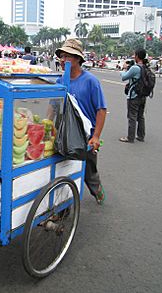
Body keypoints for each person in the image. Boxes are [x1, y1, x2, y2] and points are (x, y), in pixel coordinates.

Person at [51, 38, 107, 205]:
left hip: (85, 135)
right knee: (63, 168)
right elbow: (54, 106)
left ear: (77, 59)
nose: (63, 60)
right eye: (61, 56)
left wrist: (96, 136)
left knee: (89, 173)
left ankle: (98, 191)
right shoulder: (60, 81)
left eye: (67, 56)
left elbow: (101, 110)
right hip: (64, 134)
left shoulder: (90, 81)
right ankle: (63, 205)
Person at [119, 48, 148, 143]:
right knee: (140, 116)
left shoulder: (135, 68)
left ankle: (130, 137)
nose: (133, 56)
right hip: (143, 95)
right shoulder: (145, 67)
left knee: (132, 117)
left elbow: (124, 77)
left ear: (137, 56)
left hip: (134, 96)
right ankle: (141, 136)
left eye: (134, 55)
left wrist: (123, 68)